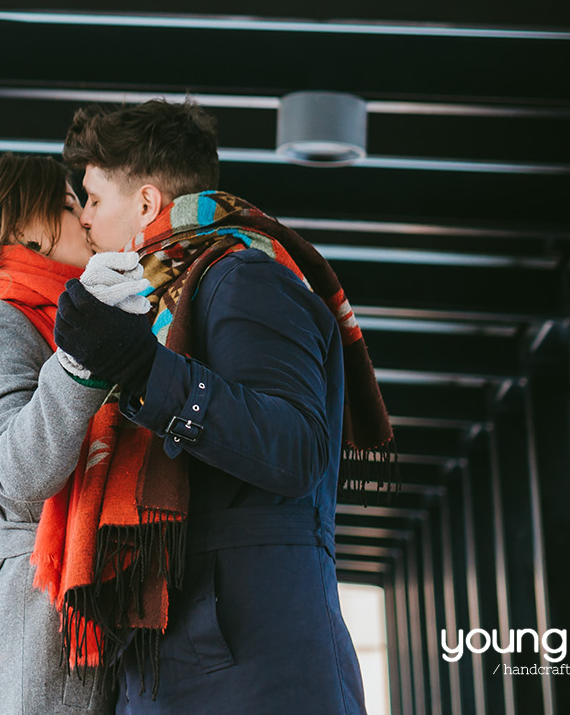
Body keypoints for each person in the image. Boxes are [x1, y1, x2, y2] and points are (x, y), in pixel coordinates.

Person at [48, 99, 393, 714]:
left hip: (253, 662)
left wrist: (143, 370)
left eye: (95, 200)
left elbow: (296, 449)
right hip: (198, 656)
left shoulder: (242, 279)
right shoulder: (172, 298)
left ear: (147, 204)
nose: (88, 224)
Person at [0, 154, 112, 715]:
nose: (84, 218)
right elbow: (21, 473)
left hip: (59, 615)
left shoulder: (51, 312)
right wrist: (85, 355)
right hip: (36, 625)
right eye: (64, 205)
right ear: (15, 228)